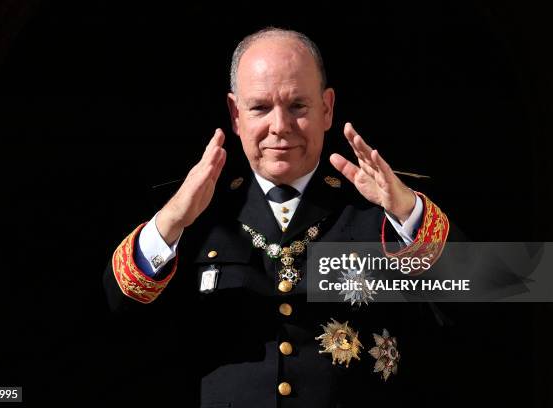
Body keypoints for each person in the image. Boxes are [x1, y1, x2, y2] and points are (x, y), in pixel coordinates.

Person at [103, 27, 449, 407]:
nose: (280, 127)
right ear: (236, 114)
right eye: (260, 107)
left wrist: (408, 213)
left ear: (327, 108)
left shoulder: (382, 204)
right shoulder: (195, 207)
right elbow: (119, 309)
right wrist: (170, 223)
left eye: (298, 106)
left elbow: (493, 294)